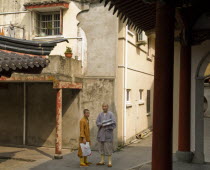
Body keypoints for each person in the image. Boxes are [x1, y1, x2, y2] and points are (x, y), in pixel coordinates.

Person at [96, 103, 116, 167]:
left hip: (108, 134)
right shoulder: (100, 114)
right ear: (102, 107)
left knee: (108, 147)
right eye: (103, 106)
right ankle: (102, 161)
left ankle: (110, 162)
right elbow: (97, 122)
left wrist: (107, 126)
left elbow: (114, 123)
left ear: (108, 107)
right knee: (101, 147)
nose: (104, 107)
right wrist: (101, 124)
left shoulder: (111, 114)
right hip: (101, 133)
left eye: (105, 106)